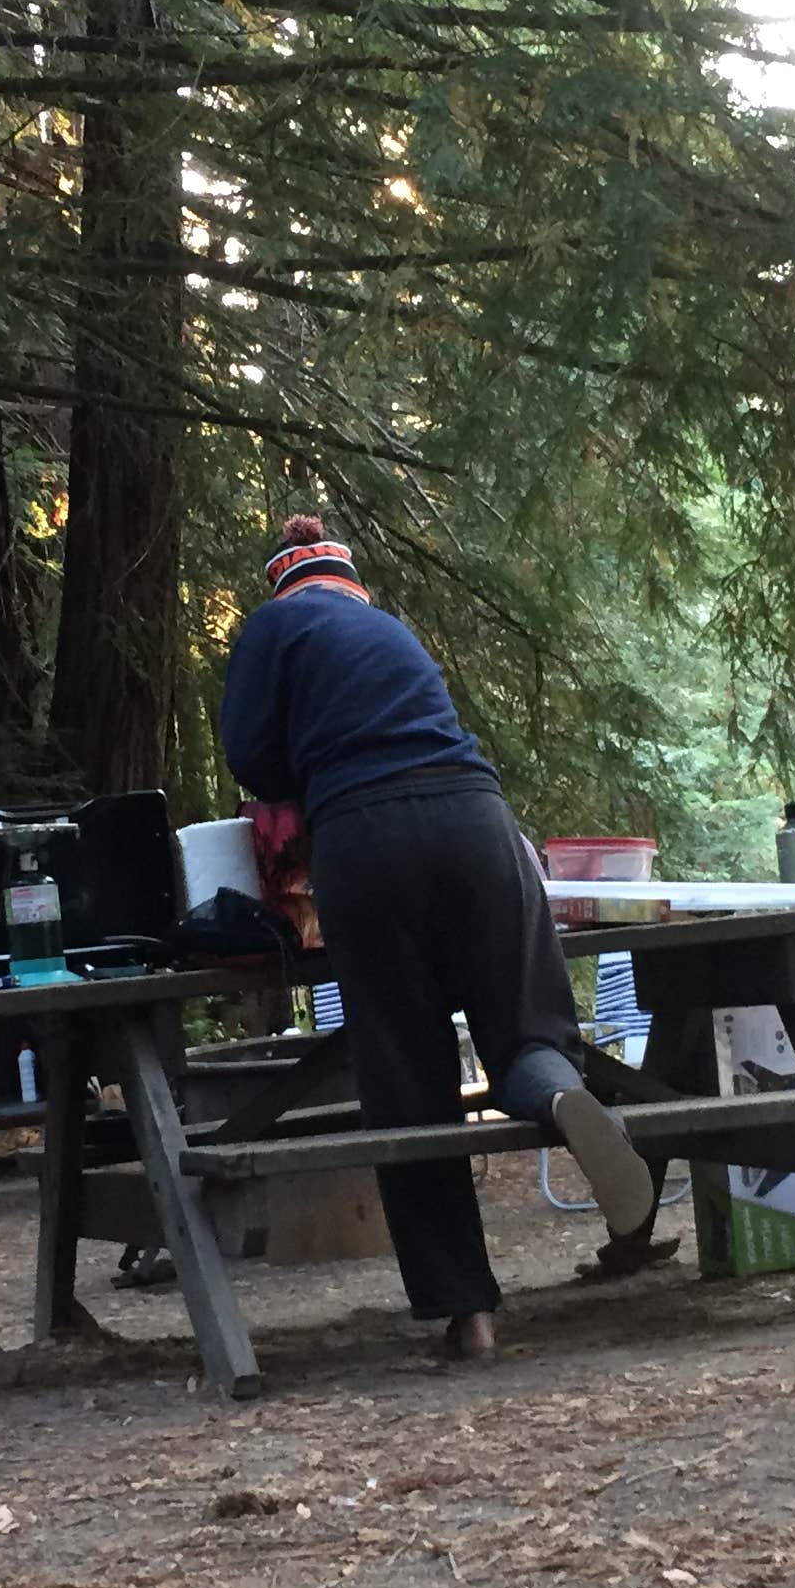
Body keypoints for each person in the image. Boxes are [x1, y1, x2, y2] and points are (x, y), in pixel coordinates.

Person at [220, 516, 664, 1358]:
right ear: (349, 582)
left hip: (365, 836)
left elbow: (252, 757)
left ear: (283, 581)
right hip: (478, 823)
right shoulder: (390, 631)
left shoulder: (275, 625)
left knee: (405, 1074)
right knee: (526, 1028)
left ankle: (470, 1315)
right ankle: (558, 1094)